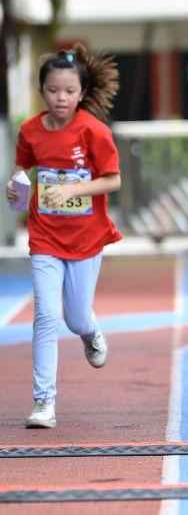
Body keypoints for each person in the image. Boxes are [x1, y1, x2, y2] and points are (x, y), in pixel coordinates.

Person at [5, 44, 121, 428]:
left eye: (69, 92)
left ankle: (91, 332)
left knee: (76, 318)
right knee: (46, 316)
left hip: (86, 239)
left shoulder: (93, 131)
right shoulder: (30, 130)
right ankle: (44, 403)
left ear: (81, 94)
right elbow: (24, 169)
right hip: (45, 237)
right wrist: (17, 190)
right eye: (54, 90)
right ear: (43, 91)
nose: (61, 98)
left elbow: (113, 180)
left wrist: (72, 191)